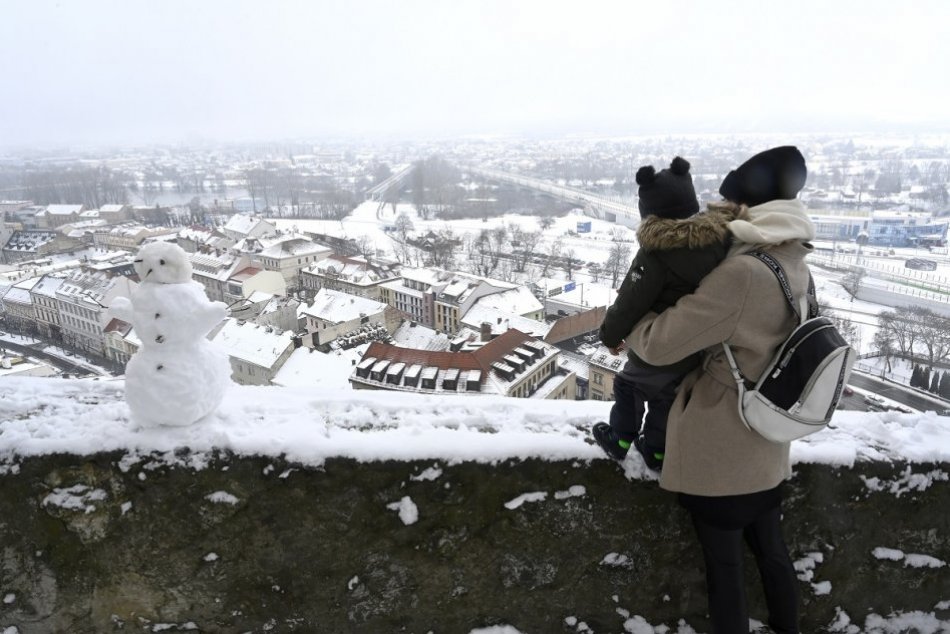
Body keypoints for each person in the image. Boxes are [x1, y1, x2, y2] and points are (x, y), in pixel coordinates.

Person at [627, 146, 812, 633]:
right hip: (767, 445)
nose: (718, 218)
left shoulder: (742, 274)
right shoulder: (792, 259)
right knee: (772, 554)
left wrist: (636, 317)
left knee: (725, 568)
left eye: (726, 207)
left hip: (721, 449)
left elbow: (660, 346)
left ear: (744, 211)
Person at [593, 157, 738, 470]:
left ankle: (619, 440)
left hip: (657, 344)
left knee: (628, 387)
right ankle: (656, 452)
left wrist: (609, 334)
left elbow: (631, 300)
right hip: (693, 347)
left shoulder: (656, 253)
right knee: (667, 400)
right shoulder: (717, 244)